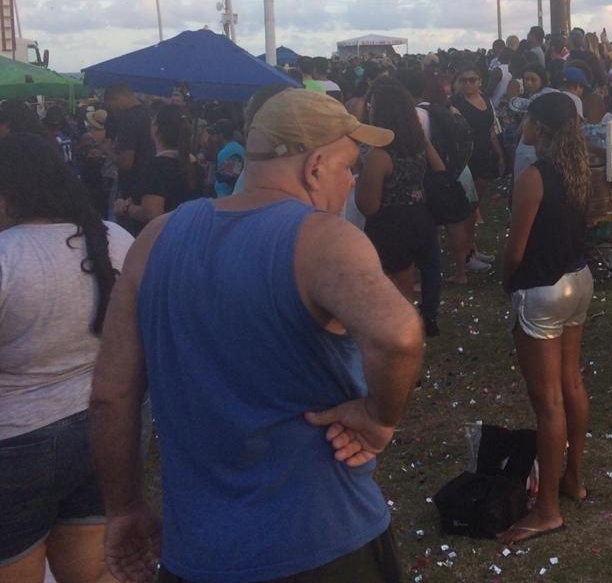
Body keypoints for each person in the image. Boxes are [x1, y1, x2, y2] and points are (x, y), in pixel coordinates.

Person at [90, 89, 424, 583]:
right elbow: (399, 336)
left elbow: (111, 394)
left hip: (197, 552)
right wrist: (378, 417)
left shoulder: (155, 238)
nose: (352, 181)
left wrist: (122, 507)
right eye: (348, 167)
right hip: (322, 542)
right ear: (315, 168)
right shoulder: (322, 240)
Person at [0, 134, 133, 583]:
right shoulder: (114, 238)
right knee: (95, 572)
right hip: (102, 428)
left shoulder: (6, 256)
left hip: (15, 443)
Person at [498, 93, 593, 544]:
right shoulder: (580, 169)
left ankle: (548, 510)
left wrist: (506, 280)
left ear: (538, 125)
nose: (523, 127)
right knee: (571, 383)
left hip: (541, 289)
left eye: (527, 120)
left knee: (549, 400)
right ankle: (572, 477)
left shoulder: (534, 176)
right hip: (579, 279)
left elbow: (515, 250)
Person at [357, 81, 448, 335]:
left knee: (398, 286)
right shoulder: (417, 145)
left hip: (391, 225)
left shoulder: (379, 156)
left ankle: (402, 331)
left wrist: (360, 176)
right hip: (422, 216)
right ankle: (428, 316)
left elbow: (368, 206)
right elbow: (440, 169)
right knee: (429, 267)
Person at [114, 104, 199, 230]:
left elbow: (151, 214)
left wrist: (125, 208)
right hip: (186, 232)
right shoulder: (194, 165)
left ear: (156, 129)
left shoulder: (157, 167)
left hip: (160, 236)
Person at [101, 84, 154, 231]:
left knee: (119, 230)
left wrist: (107, 151)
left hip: (129, 188)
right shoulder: (146, 113)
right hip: (145, 182)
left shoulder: (128, 119)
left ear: (117, 98)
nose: (112, 111)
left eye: (111, 106)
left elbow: (126, 163)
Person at [451, 64, 505, 198]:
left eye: (472, 80)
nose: (468, 83)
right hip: (468, 156)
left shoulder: (484, 98)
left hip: (486, 153)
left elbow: (491, 130)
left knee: (484, 191)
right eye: (464, 80)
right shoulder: (454, 103)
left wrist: (500, 155)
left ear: (480, 81)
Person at [207, 119, 245, 198]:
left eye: (215, 133)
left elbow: (224, 181)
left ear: (221, 135)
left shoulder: (225, 152)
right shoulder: (239, 147)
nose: (212, 136)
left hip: (226, 197)